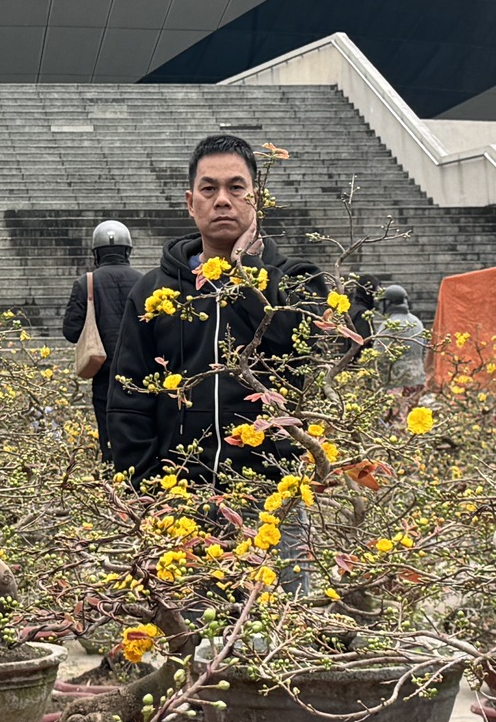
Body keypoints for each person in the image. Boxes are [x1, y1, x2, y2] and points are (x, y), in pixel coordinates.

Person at [104, 133, 316, 483]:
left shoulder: (297, 281)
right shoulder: (154, 291)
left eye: (236, 188)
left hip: (276, 493)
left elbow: (303, 350)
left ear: (257, 199)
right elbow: (129, 399)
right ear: (190, 202)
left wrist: (246, 270)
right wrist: (146, 489)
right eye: (208, 189)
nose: (222, 201)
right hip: (180, 492)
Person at [60, 219, 138, 463]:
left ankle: (110, 487)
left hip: (104, 376)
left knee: (109, 440)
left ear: (96, 253)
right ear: (128, 250)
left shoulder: (86, 283)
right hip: (139, 376)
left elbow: (71, 331)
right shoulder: (145, 281)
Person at [365, 284, 430, 402]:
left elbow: (378, 356)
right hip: (418, 381)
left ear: (388, 303)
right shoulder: (417, 322)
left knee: (395, 419)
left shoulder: (389, 325)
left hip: (397, 385)